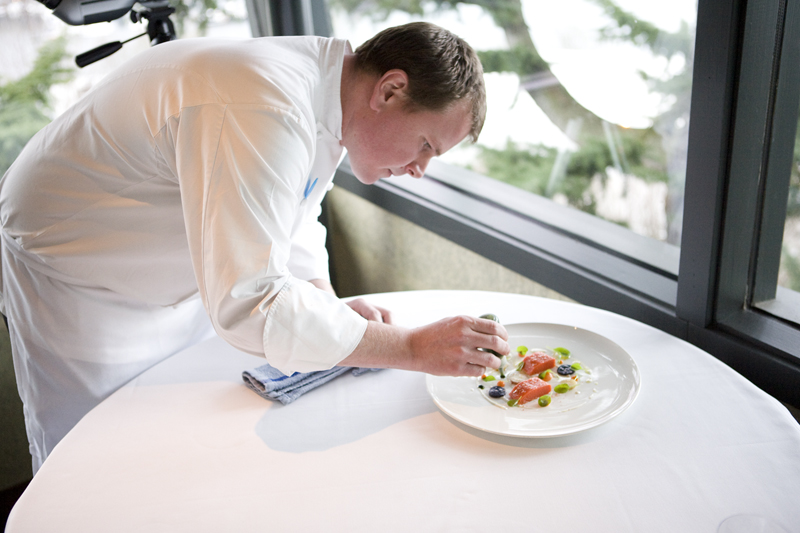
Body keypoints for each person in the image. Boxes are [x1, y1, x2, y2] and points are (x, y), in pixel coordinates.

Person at [0, 22, 508, 474]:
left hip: (187, 271)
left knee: (181, 445)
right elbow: (251, 303)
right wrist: (410, 348)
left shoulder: (331, 97)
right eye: (425, 145)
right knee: (94, 462)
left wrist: (322, 302)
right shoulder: (263, 103)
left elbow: (295, 212)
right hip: (79, 272)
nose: (420, 169)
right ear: (391, 90)